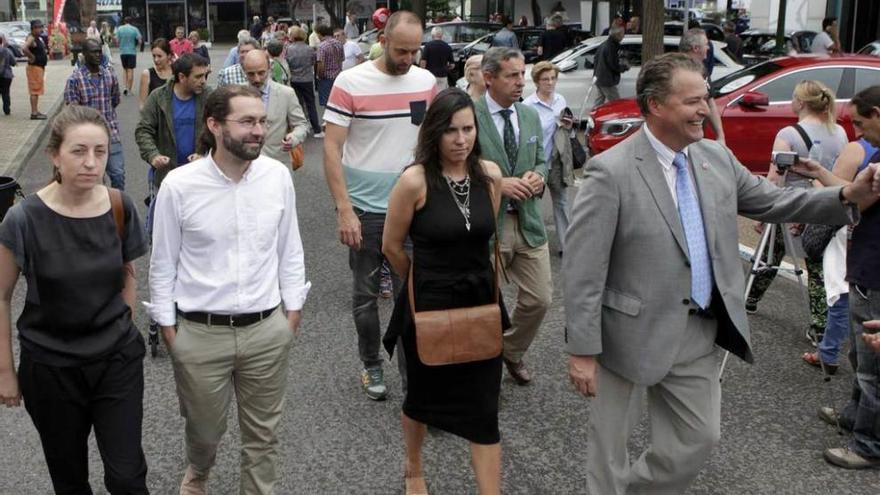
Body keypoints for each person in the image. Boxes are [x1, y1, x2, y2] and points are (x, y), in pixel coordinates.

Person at [564, 52, 872, 494]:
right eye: (692, 101)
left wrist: (847, 194)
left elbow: (776, 202)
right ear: (654, 105)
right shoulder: (610, 172)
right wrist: (582, 350)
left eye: (706, 98)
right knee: (609, 449)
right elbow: (584, 269)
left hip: (699, 332)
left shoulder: (715, 159)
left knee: (697, 440)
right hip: (626, 334)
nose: (705, 109)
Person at [148, 84, 310, 494]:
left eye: (262, 121)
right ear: (215, 125)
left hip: (266, 329)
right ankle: (198, 472)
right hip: (200, 333)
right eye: (247, 122)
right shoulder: (180, 185)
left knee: (263, 437)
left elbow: (290, 248)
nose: (259, 131)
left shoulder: (276, 177)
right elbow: (163, 261)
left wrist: (290, 317)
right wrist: (171, 334)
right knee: (204, 431)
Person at [0, 104, 149, 494]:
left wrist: (125, 328)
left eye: (100, 152)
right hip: (50, 369)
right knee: (70, 480)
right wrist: (5, 372)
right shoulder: (23, 220)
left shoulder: (120, 206)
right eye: (78, 151)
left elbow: (127, 273)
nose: (91, 162)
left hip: (115, 361)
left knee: (127, 477)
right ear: (54, 155)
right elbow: (1, 297)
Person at [383, 88, 505, 495]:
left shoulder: (489, 175)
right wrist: (425, 279)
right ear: (434, 132)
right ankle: (413, 468)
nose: (461, 139)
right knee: (423, 396)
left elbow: (487, 238)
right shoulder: (414, 180)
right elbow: (392, 247)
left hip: (481, 300)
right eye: (451, 130)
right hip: (429, 303)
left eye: (468, 128)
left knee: (485, 404)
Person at [323, 10, 437, 400]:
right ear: (383, 39)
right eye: (401, 50)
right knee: (366, 296)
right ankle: (371, 363)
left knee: (414, 293)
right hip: (366, 209)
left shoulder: (425, 81)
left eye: (414, 51)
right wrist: (343, 209)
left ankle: (414, 378)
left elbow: (431, 139)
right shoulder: (350, 81)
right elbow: (332, 148)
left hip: (414, 206)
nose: (408, 59)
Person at [746, 80, 848, 347]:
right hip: (826, 205)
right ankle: (819, 326)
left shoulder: (788, 134)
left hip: (791, 206)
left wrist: (762, 213)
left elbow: (775, 177)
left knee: (770, 254)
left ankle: (749, 299)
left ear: (801, 102)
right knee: (818, 267)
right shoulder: (839, 132)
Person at [811, 85, 880, 469]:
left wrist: (823, 177)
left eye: (860, 122)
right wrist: (821, 172)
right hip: (867, 264)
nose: (857, 133)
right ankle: (856, 417)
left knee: (872, 366)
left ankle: (868, 444)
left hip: (875, 271)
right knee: (861, 354)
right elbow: (856, 194)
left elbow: (859, 198)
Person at [475, 47, 551, 385]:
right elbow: (453, 165)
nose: (521, 82)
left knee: (540, 299)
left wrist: (539, 176)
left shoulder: (530, 114)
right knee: (484, 303)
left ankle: (510, 350)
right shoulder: (469, 115)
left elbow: (540, 159)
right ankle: (480, 367)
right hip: (488, 225)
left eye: (522, 74)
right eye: (512, 75)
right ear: (488, 78)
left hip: (529, 223)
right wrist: (497, 183)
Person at [135, 53, 210, 203]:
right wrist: (153, 155)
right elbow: (143, 130)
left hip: (201, 176)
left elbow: (220, 130)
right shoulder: (158, 97)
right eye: (198, 76)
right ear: (182, 77)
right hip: (167, 177)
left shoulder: (209, 96)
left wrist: (205, 154)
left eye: (205, 75)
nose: (203, 81)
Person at [524, 61, 572, 257]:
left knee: (562, 203)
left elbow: (563, 128)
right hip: (538, 164)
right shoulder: (528, 106)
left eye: (553, 78)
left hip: (558, 160)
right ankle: (534, 244)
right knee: (533, 205)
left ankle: (566, 246)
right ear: (537, 82)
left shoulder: (560, 99)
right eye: (545, 79)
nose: (550, 83)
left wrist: (568, 125)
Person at [64, 39, 126, 190]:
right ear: (84, 54)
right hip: (87, 138)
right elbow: (73, 111)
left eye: (99, 51)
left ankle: (117, 207)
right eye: (94, 51)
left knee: (118, 174)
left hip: (111, 133)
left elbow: (115, 100)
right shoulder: (75, 80)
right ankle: (99, 207)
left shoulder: (109, 75)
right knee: (95, 178)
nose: (98, 55)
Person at [241, 49, 308, 164]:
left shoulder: (286, 93)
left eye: (261, 73)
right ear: (243, 72)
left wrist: (294, 138)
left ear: (269, 68)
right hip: (244, 164)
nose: (256, 79)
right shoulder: (236, 95)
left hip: (278, 162)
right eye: (251, 74)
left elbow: (301, 124)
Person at [680, 27, 726, 144]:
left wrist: (720, 136)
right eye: (706, 44)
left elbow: (710, 103)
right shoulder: (675, 72)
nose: (708, 48)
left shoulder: (702, 70)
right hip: (678, 138)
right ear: (696, 48)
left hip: (695, 138)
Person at [286, 26, 322, 137]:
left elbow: (287, 63)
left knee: (297, 104)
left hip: (293, 79)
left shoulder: (288, 49)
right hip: (306, 79)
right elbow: (313, 62)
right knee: (310, 104)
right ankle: (316, 129)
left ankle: (300, 127)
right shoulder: (309, 49)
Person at [592, 23, 627, 107]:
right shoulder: (611, 47)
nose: (623, 36)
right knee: (617, 103)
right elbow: (613, 64)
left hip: (600, 77)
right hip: (607, 80)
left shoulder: (604, 44)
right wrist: (623, 67)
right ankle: (618, 119)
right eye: (623, 34)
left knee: (599, 101)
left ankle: (593, 116)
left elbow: (596, 60)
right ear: (617, 35)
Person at [22, 19, 48, 120]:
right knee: (34, 91)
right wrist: (31, 56)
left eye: (41, 27)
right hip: (34, 68)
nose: (41, 29)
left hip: (38, 68)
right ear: (34, 29)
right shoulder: (31, 38)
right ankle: (34, 113)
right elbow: (24, 48)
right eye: (39, 27)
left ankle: (36, 111)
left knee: (36, 91)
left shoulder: (37, 38)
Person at [139, 37, 173, 110]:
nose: (156, 60)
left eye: (159, 56)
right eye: (154, 56)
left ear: (169, 56)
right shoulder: (147, 74)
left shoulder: (177, 72)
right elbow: (142, 104)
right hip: (155, 119)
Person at [316, 24, 344, 107]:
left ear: (320, 34)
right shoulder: (339, 43)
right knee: (337, 103)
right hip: (338, 76)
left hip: (326, 78)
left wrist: (319, 76)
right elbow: (342, 59)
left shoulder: (322, 46)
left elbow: (321, 64)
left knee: (327, 104)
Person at [115, 17, 142, 96]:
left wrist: (120, 45)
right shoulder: (134, 29)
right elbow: (140, 40)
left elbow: (116, 41)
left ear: (124, 21)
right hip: (132, 52)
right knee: (130, 70)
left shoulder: (120, 29)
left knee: (125, 69)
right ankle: (129, 90)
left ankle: (125, 87)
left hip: (123, 52)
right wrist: (136, 45)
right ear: (131, 22)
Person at [0, 33, 15, 116]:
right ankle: (7, 109)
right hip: (6, 75)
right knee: (6, 92)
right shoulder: (7, 50)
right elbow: (13, 62)